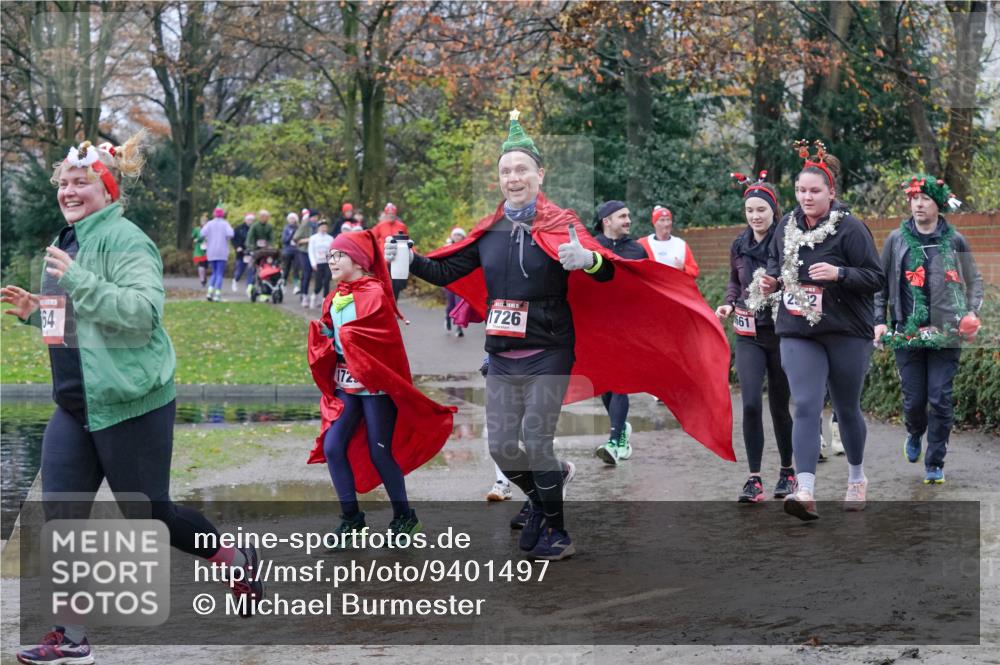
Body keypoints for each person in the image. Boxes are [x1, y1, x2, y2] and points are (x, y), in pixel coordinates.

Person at [386, 111, 735, 559]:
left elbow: (609, 272)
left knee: (535, 441)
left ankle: (557, 531)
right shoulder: (489, 232)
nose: (513, 178)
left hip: (550, 350)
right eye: (505, 171)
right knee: (503, 449)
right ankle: (543, 496)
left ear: (539, 174)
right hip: (502, 353)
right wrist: (410, 258)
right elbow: (446, 269)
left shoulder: (560, 223)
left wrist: (585, 260)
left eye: (521, 170)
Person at [2, 136, 262, 665]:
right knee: (62, 518)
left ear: (108, 188)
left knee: (150, 514)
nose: (70, 191)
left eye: (82, 182)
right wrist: (39, 312)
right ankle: (71, 637)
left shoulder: (127, 241)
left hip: (131, 404)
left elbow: (141, 316)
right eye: (65, 184)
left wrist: (78, 281)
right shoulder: (67, 242)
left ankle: (232, 558)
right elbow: (82, 332)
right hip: (75, 407)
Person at [750, 140, 884, 521]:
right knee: (806, 404)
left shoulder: (851, 229)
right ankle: (804, 487)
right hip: (797, 328)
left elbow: (875, 277)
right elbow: (775, 264)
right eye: (801, 190)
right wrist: (771, 282)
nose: (807, 197)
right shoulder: (785, 228)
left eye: (815, 191)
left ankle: (857, 476)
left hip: (846, 330)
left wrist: (840, 273)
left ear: (831, 193)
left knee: (845, 407)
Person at [306, 231, 455, 545]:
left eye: (339, 255)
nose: (331, 260)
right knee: (333, 446)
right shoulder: (334, 296)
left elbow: (380, 339)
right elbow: (336, 337)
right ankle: (352, 520)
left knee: (380, 451)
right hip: (347, 386)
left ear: (358, 261)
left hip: (376, 387)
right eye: (330, 255)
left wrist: (347, 338)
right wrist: (323, 335)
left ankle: (404, 517)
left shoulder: (374, 293)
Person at [874, 174, 983, 484]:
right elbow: (880, 285)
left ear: (938, 204)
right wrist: (879, 321)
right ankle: (914, 431)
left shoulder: (956, 240)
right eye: (914, 199)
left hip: (947, 332)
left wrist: (971, 312)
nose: (918, 204)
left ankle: (935, 461)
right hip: (906, 332)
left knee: (940, 398)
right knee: (913, 400)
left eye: (925, 199)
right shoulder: (896, 240)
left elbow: (974, 280)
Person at [715, 171, 795, 502]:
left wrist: (778, 286)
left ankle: (788, 472)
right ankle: (754, 478)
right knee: (749, 403)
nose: (755, 216)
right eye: (750, 211)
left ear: (773, 211)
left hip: (780, 331)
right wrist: (728, 303)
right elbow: (735, 281)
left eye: (761, 210)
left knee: (779, 405)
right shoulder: (739, 244)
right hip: (748, 334)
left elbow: (797, 280)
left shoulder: (786, 241)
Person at [591, 200, 647, 464]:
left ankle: (614, 441)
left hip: (626, 326)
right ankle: (621, 428)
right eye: (622, 216)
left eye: (628, 215)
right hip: (595, 325)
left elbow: (648, 286)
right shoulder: (590, 246)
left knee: (619, 382)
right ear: (607, 221)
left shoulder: (636, 250)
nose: (628, 220)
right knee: (604, 384)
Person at [637, 205, 699, 277]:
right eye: (662, 220)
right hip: (654, 287)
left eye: (668, 220)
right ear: (654, 223)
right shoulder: (643, 243)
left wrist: (684, 268)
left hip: (675, 286)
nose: (666, 224)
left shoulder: (681, 244)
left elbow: (695, 271)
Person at [372, 203, 411, 300]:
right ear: (385, 214)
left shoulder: (401, 226)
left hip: (397, 260)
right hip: (383, 261)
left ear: (395, 214)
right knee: (384, 285)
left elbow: (408, 241)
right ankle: (385, 308)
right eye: (389, 214)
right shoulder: (380, 226)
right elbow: (371, 239)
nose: (391, 215)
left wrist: (414, 254)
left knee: (396, 286)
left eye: (393, 214)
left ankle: (394, 308)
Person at [200, 207, 234, 302]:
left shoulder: (210, 224)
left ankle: (209, 292)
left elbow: (202, 233)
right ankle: (217, 294)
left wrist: (208, 237)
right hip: (222, 252)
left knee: (214, 272)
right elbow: (231, 233)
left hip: (211, 251)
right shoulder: (225, 224)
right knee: (219, 273)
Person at [308, 220, 335, 308]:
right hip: (317, 263)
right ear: (318, 227)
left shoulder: (330, 238)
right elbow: (311, 251)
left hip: (327, 263)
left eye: (325, 227)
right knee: (319, 283)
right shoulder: (313, 238)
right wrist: (313, 263)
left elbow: (332, 251)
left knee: (327, 281)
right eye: (322, 226)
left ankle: (325, 301)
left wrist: (333, 262)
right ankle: (314, 296)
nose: (324, 228)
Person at [230, 212, 252, 291]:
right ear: (245, 220)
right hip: (241, 253)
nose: (250, 221)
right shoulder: (238, 228)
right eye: (249, 219)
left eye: (252, 220)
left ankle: (249, 287)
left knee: (251, 270)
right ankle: (235, 281)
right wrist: (237, 247)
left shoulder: (254, 228)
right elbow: (233, 239)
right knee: (240, 271)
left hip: (251, 253)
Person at [280, 211, 301, 287]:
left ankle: (296, 285)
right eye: (290, 218)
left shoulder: (299, 228)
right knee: (286, 267)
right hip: (288, 250)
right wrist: (291, 234)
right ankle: (283, 282)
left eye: (293, 218)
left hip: (297, 251)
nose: (292, 220)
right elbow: (284, 240)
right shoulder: (286, 228)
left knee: (296, 268)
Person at [192, 214, 208, 286]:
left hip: (208, 249)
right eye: (202, 221)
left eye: (205, 221)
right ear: (200, 222)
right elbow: (192, 237)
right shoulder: (197, 230)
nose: (204, 223)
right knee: (201, 265)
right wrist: (195, 240)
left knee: (205, 266)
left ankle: (204, 277)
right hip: (199, 249)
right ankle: (202, 279)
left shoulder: (209, 229)